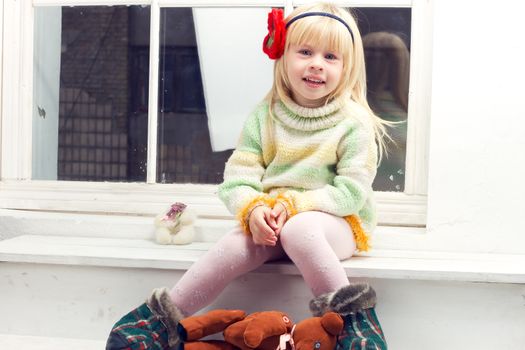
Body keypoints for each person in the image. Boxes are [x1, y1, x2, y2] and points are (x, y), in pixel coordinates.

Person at [106, 3, 389, 349]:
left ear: (347, 68)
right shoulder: (265, 116)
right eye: (305, 52)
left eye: (331, 57)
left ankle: (352, 325)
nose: (317, 63)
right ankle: (158, 323)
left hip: (336, 225)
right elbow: (238, 178)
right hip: (274, 223)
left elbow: (351, 192)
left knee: (301, 228)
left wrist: (292, 205)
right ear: (283, 56)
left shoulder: (353, 122)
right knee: (233, 245)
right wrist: (254, 210)